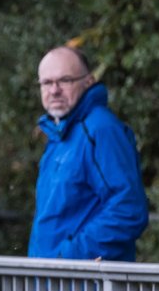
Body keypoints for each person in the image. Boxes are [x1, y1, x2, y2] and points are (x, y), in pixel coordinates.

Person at [30, 46, 148, 261]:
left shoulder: (100, 130)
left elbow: (128, 210)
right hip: (52, 283)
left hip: (85, 286)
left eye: (65, 80)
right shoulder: (60, 134)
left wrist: (68, 257)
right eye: (47, 83)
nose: (54, 90)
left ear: (89, 82)